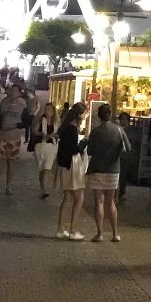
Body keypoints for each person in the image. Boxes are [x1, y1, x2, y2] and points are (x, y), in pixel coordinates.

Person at [85, 103, 129, 242]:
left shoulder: (96, 132)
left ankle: (99, 233)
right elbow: (128, 147)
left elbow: (89, 151)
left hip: (97, 169)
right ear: (110, 115)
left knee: (99, 202)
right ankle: (115, 233)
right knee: (111, 202)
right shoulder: (119, 130)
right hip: (113, 169)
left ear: (99, 115)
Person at [54, 103, 88, 240]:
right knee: (79, 197)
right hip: (72, 164)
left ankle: (60, 228)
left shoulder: (65, 127)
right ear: (80, 114)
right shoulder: (73, 129)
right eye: (85, 113)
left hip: (63, 164)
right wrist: (83, 143)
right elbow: (73, 149)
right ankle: (73, 229)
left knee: (66, 197)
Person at [0, 83, 29, 194]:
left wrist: (15, 126)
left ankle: (9, 185)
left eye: (16, 91)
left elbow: (26, 122)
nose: (12, 93)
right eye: (12, 90)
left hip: (14, 138)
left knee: (11, 162)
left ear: (20, 93)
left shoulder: (23, 105)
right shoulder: (4, 102)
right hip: (2, 137)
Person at [30, 102, 58, 198]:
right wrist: (42, 134)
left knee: (46, 169)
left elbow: (58, 133)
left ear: (53, 111)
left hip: (51, 147)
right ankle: (43, 189)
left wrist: (55, 136)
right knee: (42, 169)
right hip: (40, 146)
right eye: (46, 109)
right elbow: (34, 131)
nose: (47, 111)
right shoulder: (41, 120)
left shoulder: (55, 122)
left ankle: (44, 190)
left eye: (49, 109)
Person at [117, 111, 133, 201]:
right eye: (122, 119)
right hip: (117, 155)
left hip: (126, 156)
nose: (124, 121)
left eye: (125, 119)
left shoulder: (131, 130)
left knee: (124, 175)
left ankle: (122, 192)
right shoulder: (117, 129)